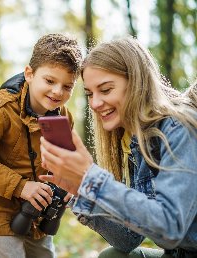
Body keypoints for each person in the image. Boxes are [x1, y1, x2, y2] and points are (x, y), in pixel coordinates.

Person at [39, 36, 197, 258]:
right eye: (90, 94)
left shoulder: (178, 128)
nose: (94, 103)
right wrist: (81, 191)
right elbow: (128, 239)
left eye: (105, 90)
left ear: (136, 83)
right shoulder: (134, 139)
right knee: (111, 256)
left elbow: (171, 228)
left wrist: (91, 178)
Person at [0, 33, 83, 258]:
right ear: (29, 74)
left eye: (67, 86)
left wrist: (67, 181)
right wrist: (21, 187)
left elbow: (63, 161)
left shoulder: (62, 117)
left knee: (45, 254)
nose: (58, 92)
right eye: (50, 81)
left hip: (37, 209)